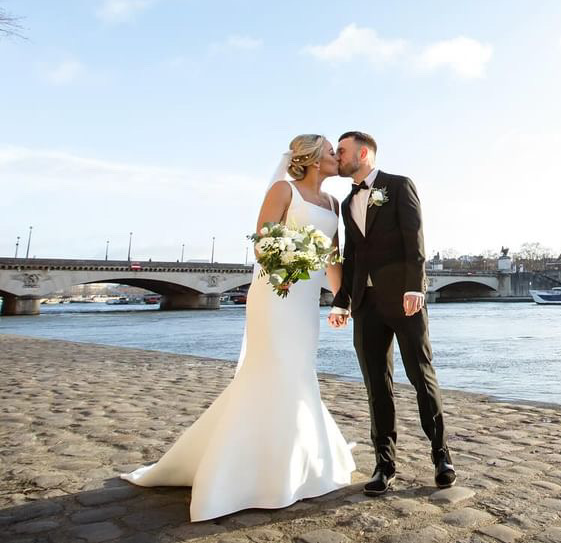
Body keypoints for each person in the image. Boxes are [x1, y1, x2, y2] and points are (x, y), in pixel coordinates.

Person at [121, 135, 356, 521]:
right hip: (277, 293)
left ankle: (295, 463)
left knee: (298, 374)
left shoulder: (332, 203)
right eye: (331, 151)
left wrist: (342, 300)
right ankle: (247, 472)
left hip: (305, 302)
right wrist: (293, 259)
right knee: (273, 370)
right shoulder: (284, 190)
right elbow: (263, 243)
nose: (336, 157)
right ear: (313, 158)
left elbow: (333, 258)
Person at [329, 131, 455, 495]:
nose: (337, 156)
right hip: (366, 307)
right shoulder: (345, 203)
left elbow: (414, 236)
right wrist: (342, 300)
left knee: (421, 376)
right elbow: (351, 256)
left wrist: (415, 286)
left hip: (405, 300)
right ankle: (385, 465)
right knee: (376, 386)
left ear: (363, 153)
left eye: (342, 151)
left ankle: (441, 456)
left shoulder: (399, 186)